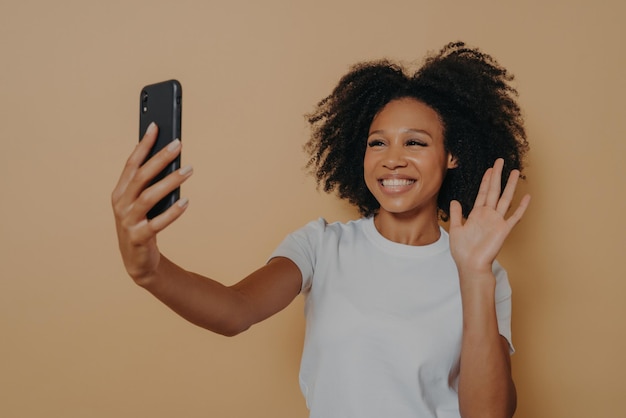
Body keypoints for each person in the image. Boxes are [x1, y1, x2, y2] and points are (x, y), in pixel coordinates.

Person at [112, 41, 530, 418]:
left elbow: (489, 414)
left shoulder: (483, 274)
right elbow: (234, 311)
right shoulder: (321, 245)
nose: (392, 159)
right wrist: (150, 271)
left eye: (415, 143)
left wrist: (474, 276)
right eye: (377, 143)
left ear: (453, 155)